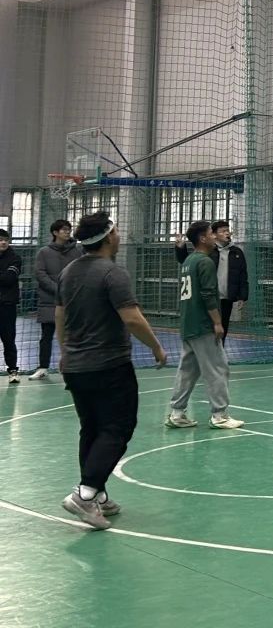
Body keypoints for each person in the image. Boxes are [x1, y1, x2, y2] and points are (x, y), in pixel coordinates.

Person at [56, 210, 167, 530]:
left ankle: (99, 496)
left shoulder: (68, 271)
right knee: (118, 428)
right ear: (107, 238)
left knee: (91, 429)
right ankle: (85, 493)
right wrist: (156, 347)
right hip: (108, 366)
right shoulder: (113, 273)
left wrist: (64, 352)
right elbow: (131, 318)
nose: (119, 235)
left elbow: (61, 316)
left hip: (75, 366)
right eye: (116, 231)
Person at [165, 220, 244, 430]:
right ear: (202, 238)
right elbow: (208, 295)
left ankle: (177, 413)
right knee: (218, 368)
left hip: (188, 324)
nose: (214, 236)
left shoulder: (188, 261)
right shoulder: (205, 262)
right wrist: (217, 322)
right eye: (211, 233)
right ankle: (220, 415)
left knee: (187, 370)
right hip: (202, 324)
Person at [173, 219, 247, 344]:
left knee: (222, 330)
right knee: (209, 330)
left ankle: (218, 348)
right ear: (214, 235)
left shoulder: (236, 252)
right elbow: (187, 261)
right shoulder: (207, 253)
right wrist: (180, 248)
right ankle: (214, 350)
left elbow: (243, 275)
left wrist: (242, 296)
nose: (227, 233)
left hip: (226, 297)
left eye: (228, 230)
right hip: (210, 298)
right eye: (223, 231)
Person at [33, 219, 81, 379]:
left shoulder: (77, 251)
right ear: (55, 232)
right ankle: (42, 367)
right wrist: (58, 290)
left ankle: (75, 365)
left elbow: (82, 271)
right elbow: (40, 274)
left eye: (69, 229)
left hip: (72, 300)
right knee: (46, 335)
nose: (67, 232)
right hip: (49, 301)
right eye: (64, 230)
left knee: (74, 335)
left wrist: (71, 290)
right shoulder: (44, 252)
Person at [0, 229, 21, 384]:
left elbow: (9, 279)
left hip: (7, 305)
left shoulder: (15, 258)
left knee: (8, 338)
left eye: (6, 240)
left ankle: (13, 370)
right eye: (0, 239)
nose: (3, 242)